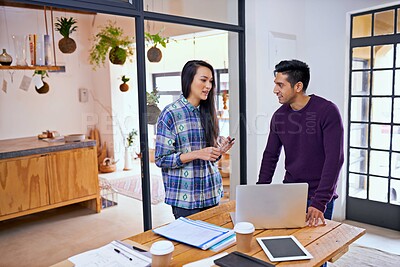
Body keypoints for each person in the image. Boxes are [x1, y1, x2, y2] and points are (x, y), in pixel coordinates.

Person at [257, 59, 344, 228]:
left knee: (319, 249)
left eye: (280, 85)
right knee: (288, 243)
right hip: (290, 193)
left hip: (319, 196)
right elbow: (270, 156)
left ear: (297, 86)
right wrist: (261, 191)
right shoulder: (279, 116)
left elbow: (334, 159)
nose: (275, 90)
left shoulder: (327, 111)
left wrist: (319, 201)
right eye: (276, 84)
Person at [155, 60, 235, 219]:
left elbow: (209, 158)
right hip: (186, 199)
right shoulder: (170, 113)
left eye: (211, 81)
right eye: (203, 80)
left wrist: (218, 151)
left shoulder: (208, 112)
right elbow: (161, 159)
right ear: (189, 80)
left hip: (211, 192)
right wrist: (197, 153)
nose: (208, 85)